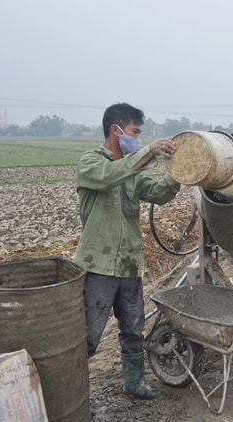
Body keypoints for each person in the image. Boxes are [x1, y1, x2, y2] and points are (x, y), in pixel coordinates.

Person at [74, 102, 181, 399]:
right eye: (135, 131)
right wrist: (148, 152)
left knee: (134, 330)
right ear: (116, 129)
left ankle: (134, 383)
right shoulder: (90, 163)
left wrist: (180, 172)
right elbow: (111, 175)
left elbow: (159, 194)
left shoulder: (132, 172)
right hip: (99, 267)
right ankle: (72, 395)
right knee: (88, 337)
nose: (138, 136)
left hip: (129, 266)